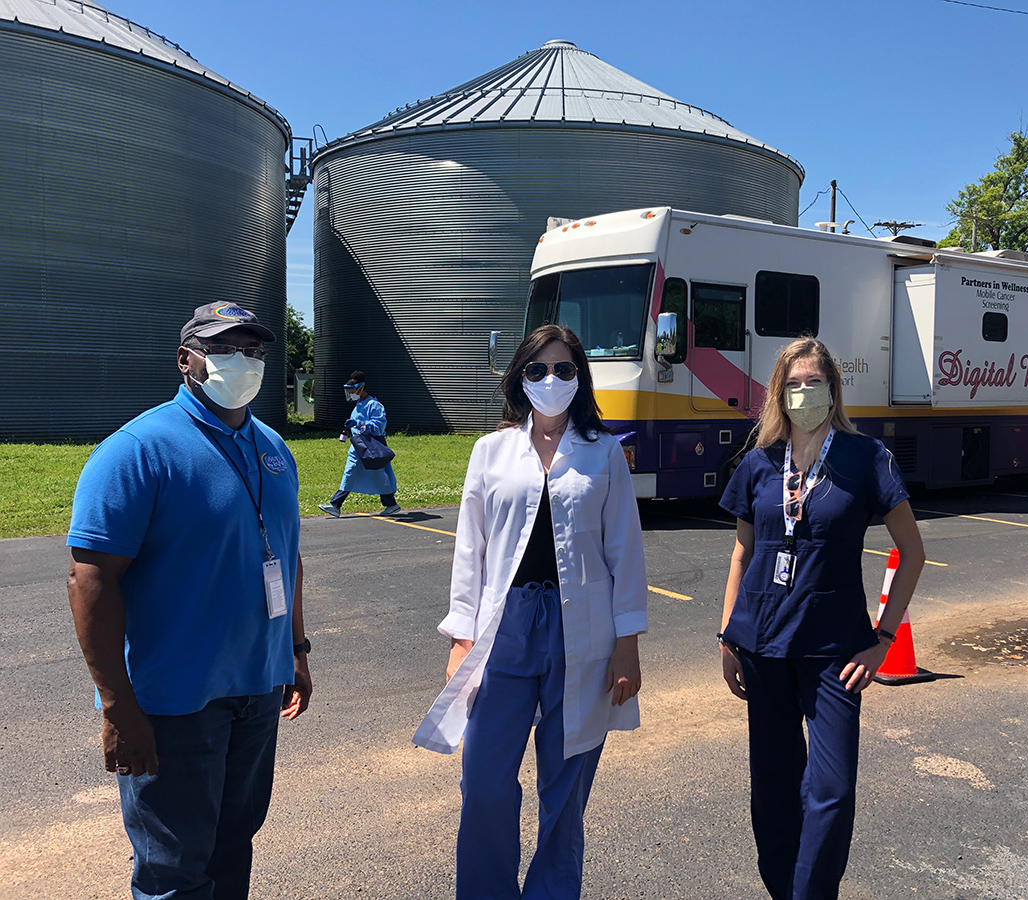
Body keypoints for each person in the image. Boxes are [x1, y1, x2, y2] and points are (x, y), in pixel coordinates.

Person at [66, 302, 312, 900]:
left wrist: (296, 651)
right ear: (186, 360)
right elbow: (90, 581)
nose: (245, 362)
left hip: (256, 690)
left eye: (254, 351)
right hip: (173, 704)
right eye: (227, 349)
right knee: (173, 868)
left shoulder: (273, 447)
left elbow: (287, 552)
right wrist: (117, 706)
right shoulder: (138, 450)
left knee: (234, 845)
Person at [413, 324, 648, 900]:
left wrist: (627, 643)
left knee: (565, 788)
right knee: (486, 780)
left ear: (579, 378)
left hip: (582, 630)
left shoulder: (604, 452)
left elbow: (625, 551)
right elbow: (471, 547)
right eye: (538, 369)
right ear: (520, 379)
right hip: (506, 627)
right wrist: (460, 638)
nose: (550, 379)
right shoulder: (491, 451)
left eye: (564, 369)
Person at [718, 336, 925, 900]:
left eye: (815, 381)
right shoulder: (760, 462)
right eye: (794, 383)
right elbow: (744, 552)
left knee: (831, 788)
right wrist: (727, 634)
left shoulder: (866, 458)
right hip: (761, 645)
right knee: (774, 787)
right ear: (777, 393)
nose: (804, 391)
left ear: (834, 389)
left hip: (835, 650)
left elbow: (913, 550)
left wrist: (883, 638)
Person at [319, 370, 400, 517]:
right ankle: (335, 505)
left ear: (361, 388)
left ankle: (391, 504)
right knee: (349, 472)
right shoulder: (358, 404)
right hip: (358, 445)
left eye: (352, 391)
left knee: (378, 474)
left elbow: (379, 426)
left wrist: (359, 423)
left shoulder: (374, 405)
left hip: (372, 444)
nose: (351, 394)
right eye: (349, 392)